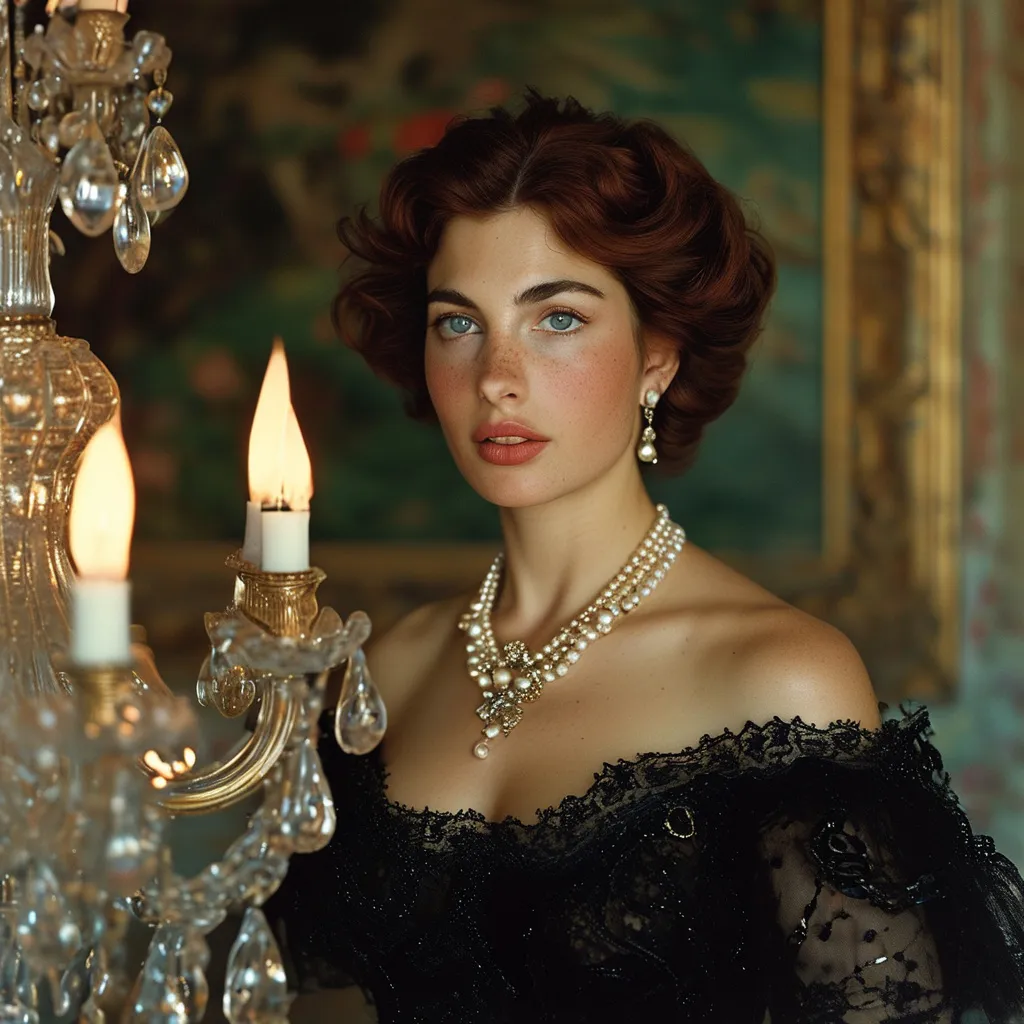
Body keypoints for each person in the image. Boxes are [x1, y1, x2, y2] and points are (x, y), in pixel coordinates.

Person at [263, 92, 1024, 1023]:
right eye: (458, 322)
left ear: (658, 354)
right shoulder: (379, 674)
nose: (496, 375)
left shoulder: (781, 678)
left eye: (559, 319)